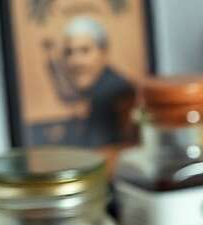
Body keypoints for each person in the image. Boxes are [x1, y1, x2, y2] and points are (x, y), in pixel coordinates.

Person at [43, 16, 135, 146]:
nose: (76, 62)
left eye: (84, 51)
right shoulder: (85, 94)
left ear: (103, 52)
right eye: (69, 53)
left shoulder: (114, 92)